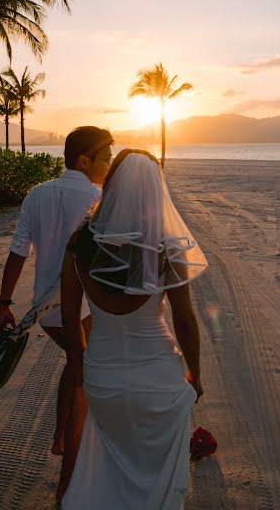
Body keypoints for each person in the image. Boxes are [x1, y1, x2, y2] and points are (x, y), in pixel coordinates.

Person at [58, 149, 208, 509]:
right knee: (154, 469)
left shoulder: (80, 244)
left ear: (111, 187)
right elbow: (185, 321)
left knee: (112, 465)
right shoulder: (166, 248)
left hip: (103, 378)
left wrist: (81, 370)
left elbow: (69, 320)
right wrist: (196, 375)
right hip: (157, 377)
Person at [0, 125, 114, 455]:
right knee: (89, 372)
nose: (110, 164)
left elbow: (19, 250)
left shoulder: (36, 194)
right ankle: (77, 447)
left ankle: (62, 438)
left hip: (45, 312)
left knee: (77, 365)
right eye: (105, 158)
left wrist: (5, 303)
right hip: (82, 310)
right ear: (83, 161)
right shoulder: (98, 200)